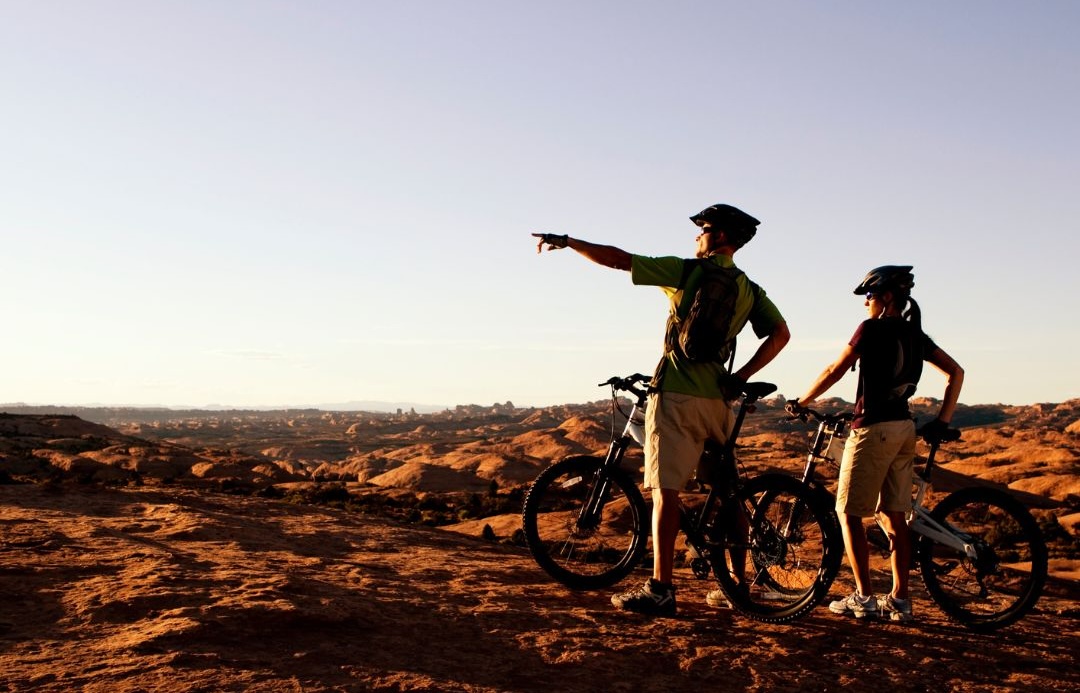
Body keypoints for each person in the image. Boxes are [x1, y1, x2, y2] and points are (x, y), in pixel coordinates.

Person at [533, 203, 790, 617]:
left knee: (666, 492)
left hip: (675, 395)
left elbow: (619, 260)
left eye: (703, 229)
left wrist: (570, 242)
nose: (697, 236)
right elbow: (781, 334)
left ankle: (661, 589)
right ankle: (736, 586)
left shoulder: (687, 272)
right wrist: (740, 376)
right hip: (719, 402)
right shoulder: (749, 290)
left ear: (720, 236)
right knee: (728, 494)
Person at [787, 265, 964, 622]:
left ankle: (864, 597)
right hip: (904, 429)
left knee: (849, 513)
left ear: (885, 297)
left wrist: (802, 401)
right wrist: (942, 420)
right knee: (893, 515)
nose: (865, 303)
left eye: (869, 296)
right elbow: (955, 372)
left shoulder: (870, 328)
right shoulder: (916, 335)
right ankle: (900, 601)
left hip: (873, 429)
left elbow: (835, 370)